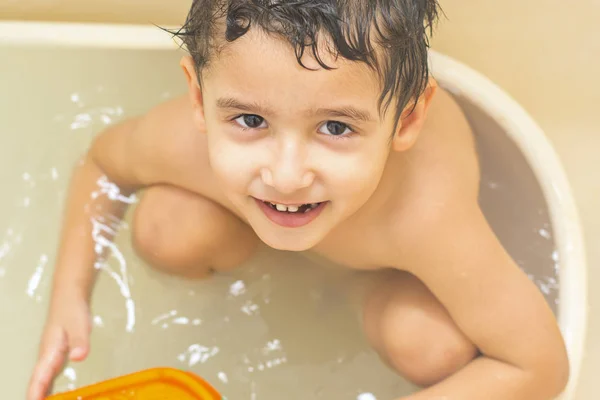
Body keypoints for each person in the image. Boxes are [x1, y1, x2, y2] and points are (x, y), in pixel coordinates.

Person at [27, 1, 569, 399]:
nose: (285, 176)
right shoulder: (183, 142)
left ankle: (352, 300)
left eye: (335, 127)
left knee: (432, 346)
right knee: (165, 229)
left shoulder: (426, 217)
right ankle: (275, 268)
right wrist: (70, 297)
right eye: (250, 120)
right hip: (260, 237)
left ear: (406, 120)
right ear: (199, 97)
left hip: (384, 273)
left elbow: (538, 366)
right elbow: (102, 165)